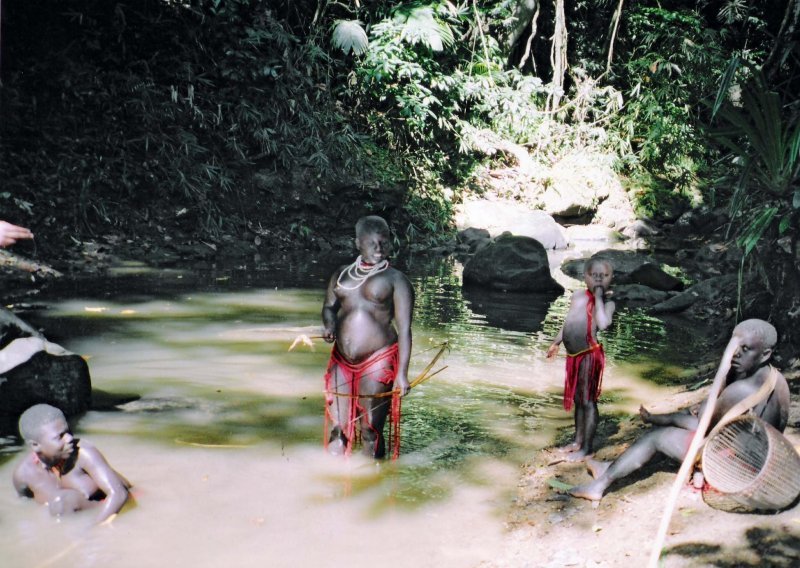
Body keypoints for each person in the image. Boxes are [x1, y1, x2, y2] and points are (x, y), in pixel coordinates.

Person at [569, 318, 790, 501]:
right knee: (682, 418)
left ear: (765, 354)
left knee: (658, 437)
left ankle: (599, 486)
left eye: (746, 349)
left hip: (735, 466)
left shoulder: (740, 390)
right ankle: (611, 467)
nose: (736, 355)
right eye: (734, 348)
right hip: (760, 455)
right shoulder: (777, 379)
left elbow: (703, 426)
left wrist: (721, 378)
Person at [321, 215, 414, 459]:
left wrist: (402, 375)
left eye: (383, 242)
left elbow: (404, 329)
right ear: (357, 243)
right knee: (337, 429)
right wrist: (329, 325)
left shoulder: (397, 280)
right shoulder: (341, 275)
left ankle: (372, 482)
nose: (379, 249)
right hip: (341, 360)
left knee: (370, 430)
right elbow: (329, 307)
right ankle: (331, 484)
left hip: (378, 360)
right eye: (372, 243)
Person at [12, 404, 131, 524]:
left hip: (122, 503)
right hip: (74, 519)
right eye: (60, 437)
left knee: (64, 501)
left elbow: (119, 494)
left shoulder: (83, 454)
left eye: (68, 431)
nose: (69, 438)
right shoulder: (23, 475)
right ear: (35, 445)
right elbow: (25, 509)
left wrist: (94, 532)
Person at [546, 258, 615, 462]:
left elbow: (603, 324)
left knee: (588, 400)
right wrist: (556, 342)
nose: (599, 280)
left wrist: (600, 296)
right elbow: (568, 322)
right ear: (585, 277)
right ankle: (577, 441)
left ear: (612, 279)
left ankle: (587, 447)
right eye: (595, 276)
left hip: (589, 355)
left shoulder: (608, 303)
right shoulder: (577, 296)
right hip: (573, 356)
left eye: (604, 276)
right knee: (578, 400)